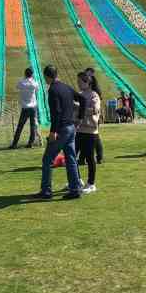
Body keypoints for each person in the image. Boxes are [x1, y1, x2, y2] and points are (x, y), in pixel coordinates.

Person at [37, 65, 85, 200]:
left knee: (47, 159)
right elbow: (83, 99)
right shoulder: (66, 87)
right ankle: (75, 189)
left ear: (47, 76)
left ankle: (46, 191)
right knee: (71, 159)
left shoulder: (52, 90)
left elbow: (56, 112)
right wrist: (80, 118)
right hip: (71, 128)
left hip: (61, 129)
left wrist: (53, 131)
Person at [75, 72, 101, 193]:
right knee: (72, 157)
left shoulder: (94, 95)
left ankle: (91, 183)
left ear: (87, 83)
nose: (78, 84)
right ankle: (77, 180)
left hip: (90, 131)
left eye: (80, 81)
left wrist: (79, 107)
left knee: (90, 158)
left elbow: (95, 110)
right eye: (78, 81)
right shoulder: (79, 94)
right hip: (79, 130)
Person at [10, 67, 39, 149]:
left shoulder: (21, 82)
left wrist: (24, 79)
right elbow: (37, 89)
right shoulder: (34, 83)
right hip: (33, 107)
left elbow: (17, 87)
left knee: (20, 126)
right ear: (32, 74)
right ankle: (30, 143)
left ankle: (14, 144)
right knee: (32, 126)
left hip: (25, 107)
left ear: (25, 74)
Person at [84, 67, 104, 165]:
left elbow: (97, 107)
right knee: (91, 136)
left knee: (94, 136)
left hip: (94, 117)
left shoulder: (94, 92)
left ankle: (98, 156)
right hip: (92, 117)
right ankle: (95, 157)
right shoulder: (92, 90)